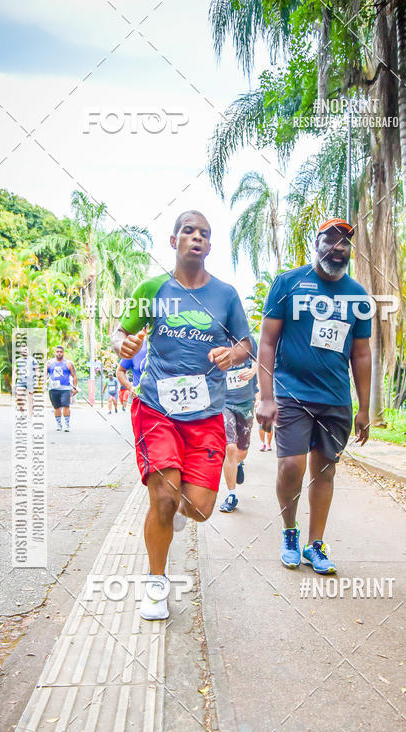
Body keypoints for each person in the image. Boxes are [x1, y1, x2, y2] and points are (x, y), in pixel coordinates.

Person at [112, 210, 251, 620]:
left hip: (206, 413)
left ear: (210, 245)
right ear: (173, 241)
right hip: (157, 407)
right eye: (188, 231)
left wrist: (232, 354)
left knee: (201, 508)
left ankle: (168, 513)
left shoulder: (225, 295)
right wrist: (124, 344)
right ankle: (156, 583)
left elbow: (246, 343)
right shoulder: (153, 287)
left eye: (204, 234)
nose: (197, 237)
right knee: (165, 495)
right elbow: (122, 331)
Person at [257, 218, 372, 574]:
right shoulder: (288, 283)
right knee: (291, 465)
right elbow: (267, 342)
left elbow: (362, 354)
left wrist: (364, 408)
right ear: (316, 244)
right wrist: (265, 397)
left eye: (344, 243)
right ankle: (290, 532)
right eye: (330, 240)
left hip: (335, 398)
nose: (337, 248)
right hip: (292, 393)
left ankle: (315, 544)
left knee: (325, 471)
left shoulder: (357, 295)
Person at [220, 333, 258, 512]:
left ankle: (238, 463)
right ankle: (231, 495)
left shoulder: (248, 341)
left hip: (246, 402)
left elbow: (260, 362)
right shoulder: (216, 340)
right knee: (230, 448)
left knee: (241, 452)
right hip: (224, 402)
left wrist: (252, 371)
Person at [47, 346, 77, 431]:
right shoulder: (49, 363)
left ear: (63, 353)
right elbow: (44, 374)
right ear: (55, 352)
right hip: (53, 389)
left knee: (66, 406)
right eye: (57, 351)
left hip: (65, 389)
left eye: (61, 351)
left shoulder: (68, 363)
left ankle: (67, 424)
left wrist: (75, 387)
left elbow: (74, 375)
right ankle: (58, 424)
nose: (59, 353)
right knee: (56, 407)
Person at [14, 345, 40, 415]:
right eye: (23, 350)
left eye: (26, 350)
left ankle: (30, 416)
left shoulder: (33, 360)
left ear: (28, 351)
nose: (24, 351)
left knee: (30, 399)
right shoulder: (18, 361)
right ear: (20, 352)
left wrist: (36, 382)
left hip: (30, 381)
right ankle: (22, 413)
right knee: (18, 397)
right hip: (21, 381)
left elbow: (37, 371)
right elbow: (15, 371)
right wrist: (14, 382)